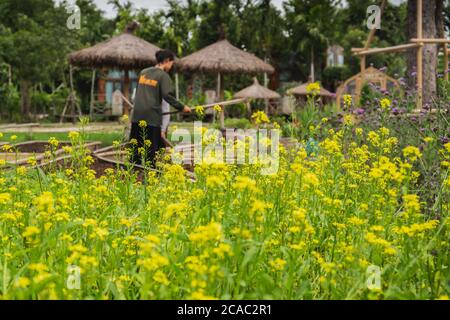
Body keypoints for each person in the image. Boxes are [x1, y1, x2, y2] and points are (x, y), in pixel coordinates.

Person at [130, 50, 191, 167]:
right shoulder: (163, 76)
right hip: (152, 117)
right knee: (152, 151)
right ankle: (151, 174)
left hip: (137, 115)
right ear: (167, 61)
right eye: (172, 63)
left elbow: (137, 93)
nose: (171, 66)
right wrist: (182, 107)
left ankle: (133, 174)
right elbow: (167, 95)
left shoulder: (143, 72)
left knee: (135, 149)